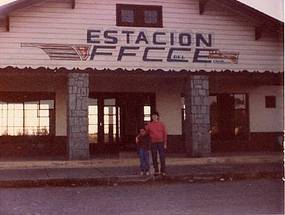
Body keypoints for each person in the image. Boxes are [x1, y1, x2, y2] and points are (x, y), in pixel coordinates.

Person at [145, 111, 167, 176]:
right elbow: (145, 133)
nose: (154, 117)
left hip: (161, 142)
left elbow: (164, 134)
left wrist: (165, 143)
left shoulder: (161, 124)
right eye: (153, 116)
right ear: (151, 117)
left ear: (158, 117)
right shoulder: (149, 125)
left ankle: (163, 171)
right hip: (153, 142)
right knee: (154, 156)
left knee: (162, 157)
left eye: (155, 116)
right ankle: (156, 170)